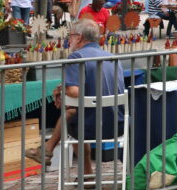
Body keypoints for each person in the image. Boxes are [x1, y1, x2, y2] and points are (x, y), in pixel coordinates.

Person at [25, 20, 124, 172]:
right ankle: (48, 150)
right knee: (74, 110)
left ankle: (83, 169)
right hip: (117, 125)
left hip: (91, 127)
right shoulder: (113, 57)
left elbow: (73, 92)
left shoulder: (76, 57)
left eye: (70, 36)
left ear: (79, 37)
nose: (68, 40)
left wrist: (63, 93)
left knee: (71, 113)